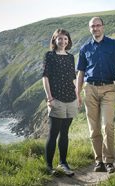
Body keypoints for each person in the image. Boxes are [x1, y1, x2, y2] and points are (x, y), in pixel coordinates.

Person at [76, 17, 115, 173]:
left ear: (103, 27)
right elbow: (80, 73)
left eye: (98, 25)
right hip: (89, 90)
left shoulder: (114, 44)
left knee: (108, 126)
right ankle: (99, 161)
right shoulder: (84, 48)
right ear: (89, 28)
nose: (95, 28)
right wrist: (77, 93)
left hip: (109, 89)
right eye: (93, 26)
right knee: (94, 128)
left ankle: (109, 161)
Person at [42, 28, 78, 176]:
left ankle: (63, 163)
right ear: (54, 40)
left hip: (71, 99)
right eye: (60, 39)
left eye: (65, 39)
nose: (63, 41)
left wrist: (78, 96)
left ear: (68, 41)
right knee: (53, 133)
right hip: (56, 99)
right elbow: (45, 77)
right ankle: (49, 166)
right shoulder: (49, 56)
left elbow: (73, 78)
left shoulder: (70, 57)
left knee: (65, 133)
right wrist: (49, 98)